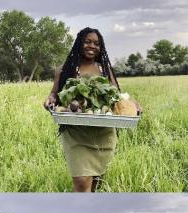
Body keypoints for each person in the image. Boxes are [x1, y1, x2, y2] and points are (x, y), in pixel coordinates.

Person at [43, 27, 140, 192]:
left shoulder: (104, 69)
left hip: (103, 133)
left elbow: (117, 96)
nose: (92, 46)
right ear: (79, 43)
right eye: (87, 41)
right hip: (75, 133)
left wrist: (132, 104)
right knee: (81, 183)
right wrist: (50, 100)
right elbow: (54, 93)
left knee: (96, 182)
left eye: (96, 43)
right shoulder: (64, 69)